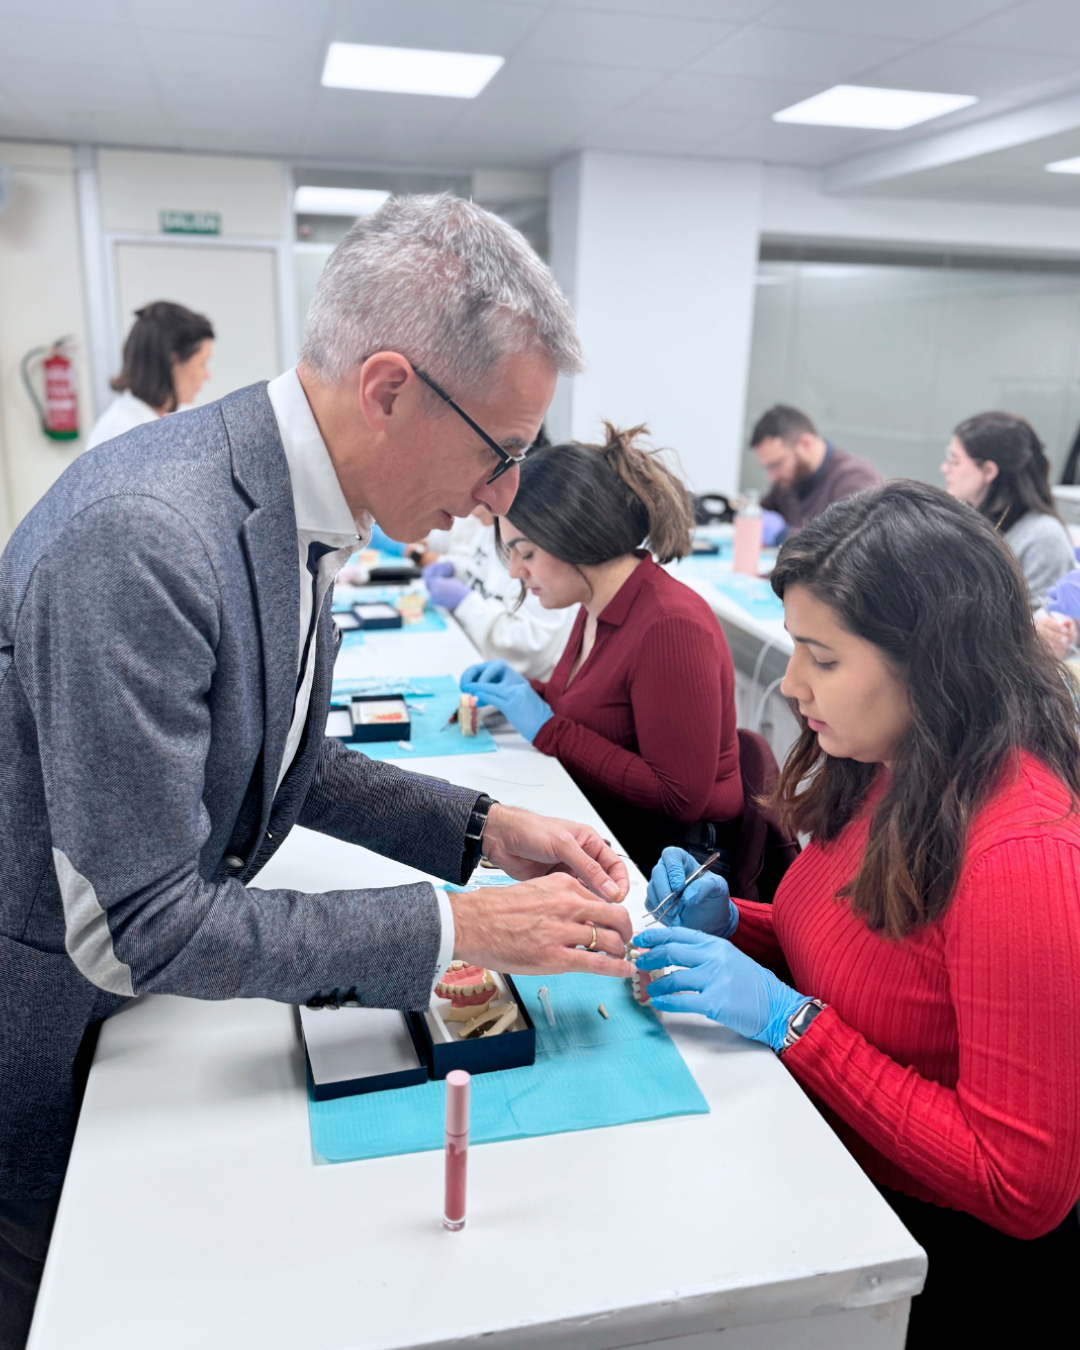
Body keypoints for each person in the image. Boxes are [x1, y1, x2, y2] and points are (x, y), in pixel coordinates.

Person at [0, 195, 635, 1350]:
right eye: (502, 456)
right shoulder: (147, 534)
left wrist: (485, 829)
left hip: (141, 1031)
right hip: (54, 1050)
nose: (504, 498)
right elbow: (140, 924)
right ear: (389, 387)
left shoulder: (287, 507)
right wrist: (464, 933)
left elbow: (280, 756)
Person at [633, 480, 1080, 1345]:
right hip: (825, 1162)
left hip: (921, 1252)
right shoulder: (888, 758)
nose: (794, 682)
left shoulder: (1020, 856)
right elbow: (873, 955)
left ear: (931, 662)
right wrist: (741, 928)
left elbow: (1022, 1189)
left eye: (823, 659)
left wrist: (793, 1023)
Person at [460, 426, 742, 879]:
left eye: (526, 552)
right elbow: (597, 710)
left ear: (576, 537)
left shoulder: (669, 625)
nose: (515, 571)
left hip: (670, 861)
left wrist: (547, 727)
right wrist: (519, 693)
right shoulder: (595, 603)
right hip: (612, 822)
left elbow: (677, 798)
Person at [423, 502, 577, 680]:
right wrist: (454, 568)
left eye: (475, 498)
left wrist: (466, 603)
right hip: (474, 658)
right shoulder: (490, 529)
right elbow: (480, 570)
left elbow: (529, 648)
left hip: (517, 681)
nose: (466, 513)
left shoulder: (536, 554)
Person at [941, 410, 1074, 610]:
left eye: (955, 461)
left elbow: (1037, 629)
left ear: (988, 471)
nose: (945, 468)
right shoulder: (962, 518)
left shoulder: (1043, 538)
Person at [86, 301, 215, 449]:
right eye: (202, 363)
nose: (207, 375)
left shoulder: (179, 417)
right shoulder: (118, 438)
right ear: (172, 362)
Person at [750, 404, 881, 545]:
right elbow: (763, 511)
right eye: (768, 468)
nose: (772, 477)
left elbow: (846, 544)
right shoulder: (790, 479)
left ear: (806, 444)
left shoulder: (855, 478)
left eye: (776, 464)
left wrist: (784, 535)